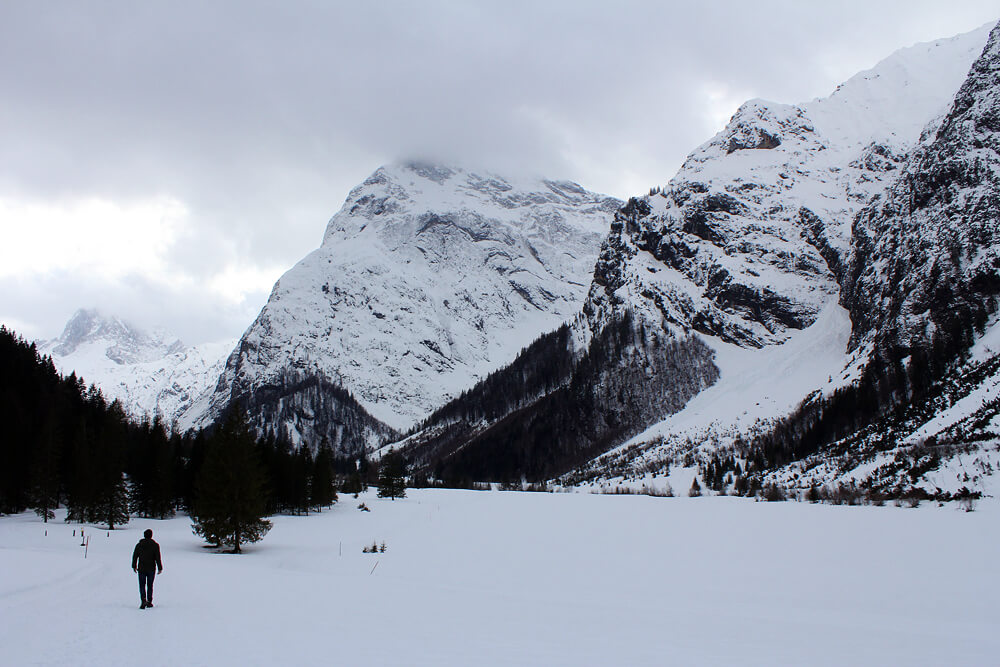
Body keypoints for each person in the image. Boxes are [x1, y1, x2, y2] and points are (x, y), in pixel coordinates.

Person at [131, 528, 163, 609]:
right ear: (151, 536)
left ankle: (143, 600)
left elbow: (135, 556)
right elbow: (157, 557)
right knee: (150, 585)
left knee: (142, 585)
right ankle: (149, 601)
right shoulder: (155, 545)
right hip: (151, 568)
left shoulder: (139, 545)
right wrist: (160, 567)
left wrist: (134, 566)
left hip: (141, 568)